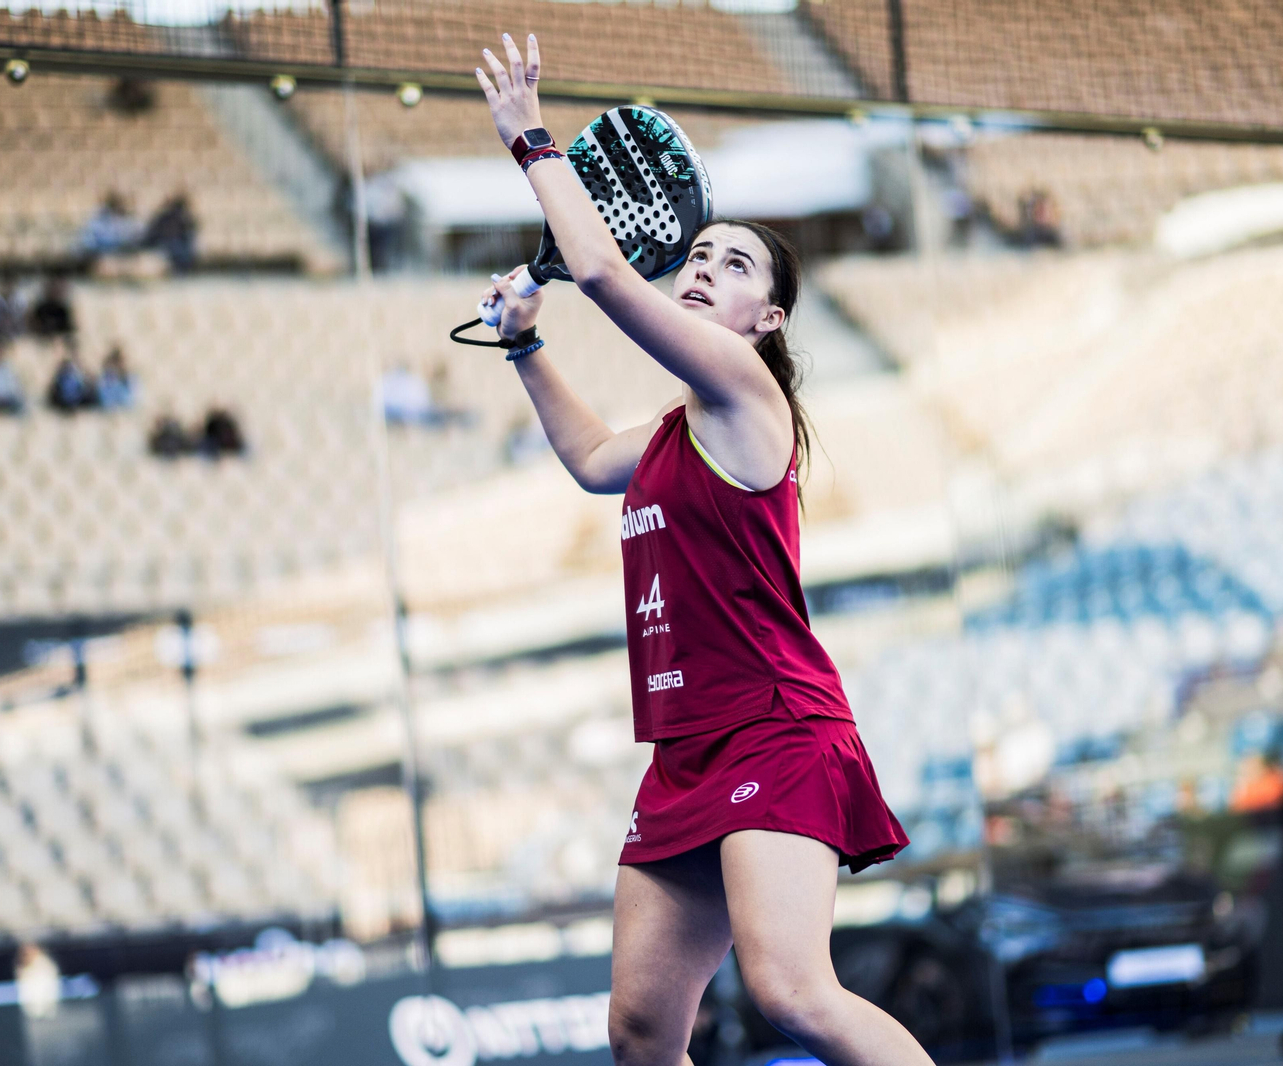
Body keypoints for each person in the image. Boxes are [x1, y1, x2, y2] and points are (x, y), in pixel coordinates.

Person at [476, 35, 924, 1066]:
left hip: (774, 728)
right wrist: (524, 344)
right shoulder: (676, 433)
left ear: (767, 319)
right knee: (640, 1034)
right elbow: (592, 457)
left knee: (793, 993)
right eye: (700, 254)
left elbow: (598, 268)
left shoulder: (746, 397)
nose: (705, 268)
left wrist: (530, 139)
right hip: (684, 750)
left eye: (734, 265)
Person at [141, 193, 197, 273]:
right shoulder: (164, 218)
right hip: (163, 244)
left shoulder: (183, 220)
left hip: (176, 246)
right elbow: (153, 234)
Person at [77, 192, 139, 260]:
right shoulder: (99, 220)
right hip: (98, 251)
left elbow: (128, 239)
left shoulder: (124, 221)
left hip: (115, 251)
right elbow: (91, 240)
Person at [27, 274, 76, 344]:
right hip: (41, 341)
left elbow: (68, 329)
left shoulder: (62, 310)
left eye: (56, 290)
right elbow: (33, 327)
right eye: (52, 290)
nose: (54, 292)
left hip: (58, 342)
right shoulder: (41, 309)